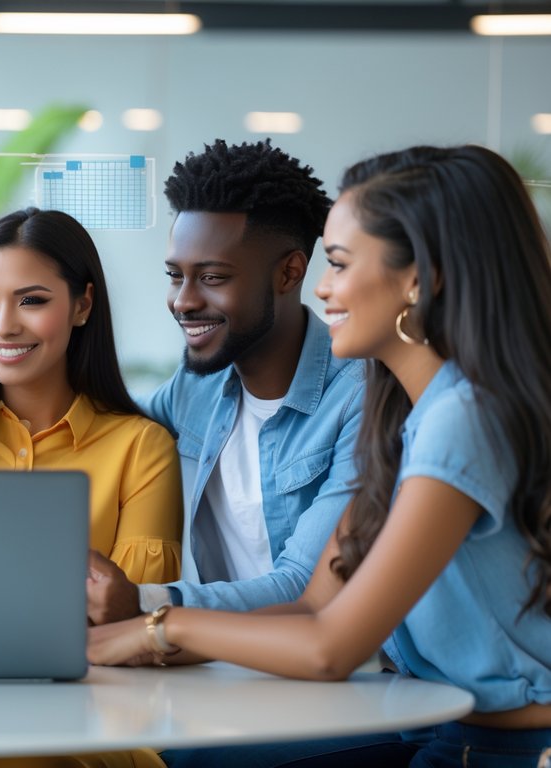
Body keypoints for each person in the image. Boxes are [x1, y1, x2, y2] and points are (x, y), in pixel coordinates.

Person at [88, 144, 551, 766]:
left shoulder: (460, 419)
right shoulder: (405, 410)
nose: (323, 289)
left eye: (337, 264)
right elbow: (314, 603)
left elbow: (330, 645)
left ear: (418, 280)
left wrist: (154, 627)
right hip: (433, 718)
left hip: (491, 744)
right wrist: (122, 636)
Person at [91, 139, 364, 623]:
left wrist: (147, 602)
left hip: (344, 683)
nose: (182, 301)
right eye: (175, 275)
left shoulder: (361, 398)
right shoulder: (197, 385)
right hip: (222, 668)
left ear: (290, 273)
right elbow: (102, 427)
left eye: (212, 278)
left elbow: (308, 587)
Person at [0, 208, 182, 589]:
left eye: (31, 301)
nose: (4, 326)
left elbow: (130, 622)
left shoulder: (140, 450)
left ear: (83, 306)